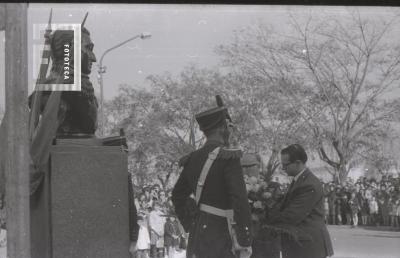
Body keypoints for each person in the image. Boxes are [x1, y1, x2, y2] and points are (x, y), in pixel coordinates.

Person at [172, 96, 252, 258]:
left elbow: (177, 195)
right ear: (223, 128)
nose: (230, 130)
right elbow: (240, 200)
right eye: (228, 126)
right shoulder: (229, 157)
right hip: (222, 235)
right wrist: (244, 239)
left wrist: (191, 223)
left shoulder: (192, 159)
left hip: (199, 234)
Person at [266, 144, 333, 258]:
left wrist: (265, 219)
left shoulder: (309, 184)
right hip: (301, 244)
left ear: (298, 163)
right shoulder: (299, 180)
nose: (282, 168)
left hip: (308, 247)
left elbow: (292, 216)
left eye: (285, 165)